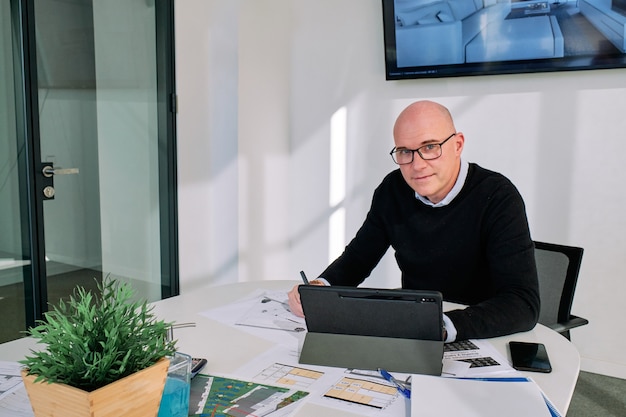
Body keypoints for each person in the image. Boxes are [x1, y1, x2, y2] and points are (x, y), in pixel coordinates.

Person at [287, 100, 540, 342]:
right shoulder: (392, 190)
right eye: (405, 152)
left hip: (478, 333)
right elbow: (358, 259)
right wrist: (319, 288)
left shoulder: (497, 196)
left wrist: (441, 327)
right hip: (413, 330)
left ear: (458, 145)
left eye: (430, 147)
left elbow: (522, 302)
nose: (417, 165)